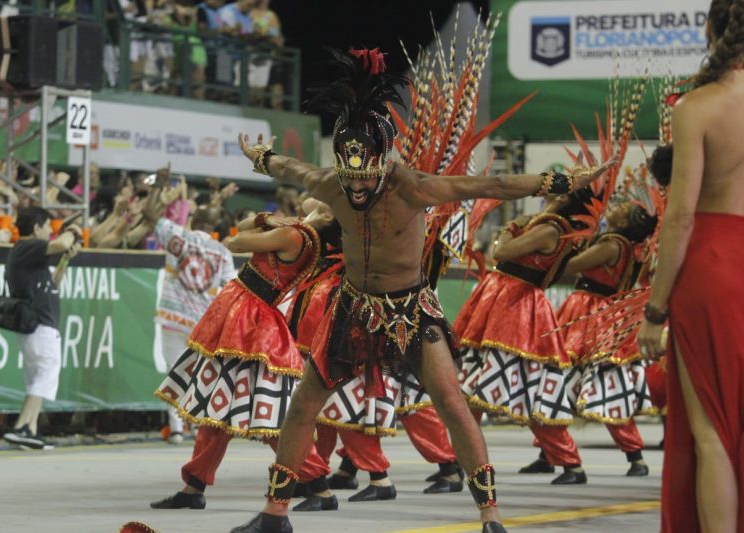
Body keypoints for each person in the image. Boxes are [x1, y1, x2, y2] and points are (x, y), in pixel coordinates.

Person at [232, 48, 614, 533]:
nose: (356, 189)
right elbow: (291, 168)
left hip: (411, 309)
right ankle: (275, 514)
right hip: (352, 307)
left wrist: (558, 181)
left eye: (365, 177)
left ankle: (491, 515)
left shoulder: (411, 187)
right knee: (305, 404)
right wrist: (262, 157)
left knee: (452, 404)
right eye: (350, 178)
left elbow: (492, 184)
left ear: (383, 161)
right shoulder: (331, 184)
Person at [636, 1, 744, 531]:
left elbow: (681, 216)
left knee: (711, 430)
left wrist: (655, 310)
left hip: (714, 261)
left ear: (709, 28)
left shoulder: (696, 106)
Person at [150, 200, 341, 512]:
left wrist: (273, 223)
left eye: (322, 203)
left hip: (251, 326)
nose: (313, 200)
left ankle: (319, 487)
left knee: (269, 419)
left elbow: (235, 241)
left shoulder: (294, 235)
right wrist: (266, 218)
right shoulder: (299, 235)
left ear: (327, 215)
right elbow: (244, 228)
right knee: (218, 407)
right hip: (246, 318)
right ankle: (194, 485)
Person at [454, 191, 594, 485]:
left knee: (528, 392)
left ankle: (570, 462)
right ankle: (458, 461)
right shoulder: (547, 222)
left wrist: (510, 227)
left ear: (566, 199)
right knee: (470, 389)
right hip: (503, 300)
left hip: (515, 309)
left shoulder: (550, 229)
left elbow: (501, 252)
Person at [554, 200, 659, 476]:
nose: (613, 207)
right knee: (564, 382)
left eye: (620, 209)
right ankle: (549, 452)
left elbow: (571, 265)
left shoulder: (612, 244)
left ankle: (635, 456)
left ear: (624, 223)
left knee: (596, 385)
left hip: (592, 312)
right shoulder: (628, 246)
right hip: (600, 311)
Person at [153, 202, 236, 444]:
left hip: (173, 318)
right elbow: (231, 287)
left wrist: (159, 193)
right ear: (214, 226)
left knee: (174, 373)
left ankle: (176, 429)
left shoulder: (177, 236)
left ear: (194, 220)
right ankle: (200, 424)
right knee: (201, 375)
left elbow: (151, 217)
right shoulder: (222, 252)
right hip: (202, 323)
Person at [2, 207, 81, 449]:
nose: (50, 232)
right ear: (36, 228)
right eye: (47, 226)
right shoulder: (27, 246)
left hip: (39, 324)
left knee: (37, 379)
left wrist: (65, 260)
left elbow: (54, 282)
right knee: (44, 374)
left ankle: (31, 430)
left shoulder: (30, 256)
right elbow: (61, 243)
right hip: (39, 324)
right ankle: (22, 426)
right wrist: (72, 232)